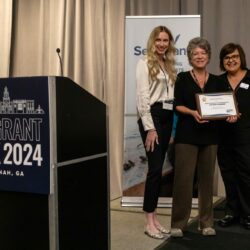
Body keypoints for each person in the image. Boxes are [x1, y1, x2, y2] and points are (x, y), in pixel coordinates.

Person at [170, 37, 237, 238]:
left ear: (208, 56)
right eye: (195, 53)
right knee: (183, 181)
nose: (199, 56)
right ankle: (178, 224)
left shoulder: (218, 80)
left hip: (211, 137)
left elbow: (226, 106)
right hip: (186, 136)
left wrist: (231, 114)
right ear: (190, 57)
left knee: (207, 181)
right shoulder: (182, 78)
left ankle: (206, 223)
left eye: (203, 53)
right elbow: (177, 105)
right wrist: (192, 112)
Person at [136, 25, 176, 239]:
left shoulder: (168, 64)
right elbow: (143, 98)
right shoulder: (144, 63)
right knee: (154, 170)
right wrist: (150, 128)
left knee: (158, 170)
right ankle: (147, 221)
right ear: (153, 41)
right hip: (153, 117)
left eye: (166, 40)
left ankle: (154, 217)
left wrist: (171, 127)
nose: (162, 44)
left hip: (167, 118)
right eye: (159, 40)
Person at [217, 43, 250, 229]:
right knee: (228, 175)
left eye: (234, 56)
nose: (231, 60)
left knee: (246, 175)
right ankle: (231, 212)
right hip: (223, 136)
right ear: (223, 61)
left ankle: (248, 214)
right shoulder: (218, 81)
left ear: (241, 57)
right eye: (227, 57)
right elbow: (211, 107)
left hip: (246, 136)